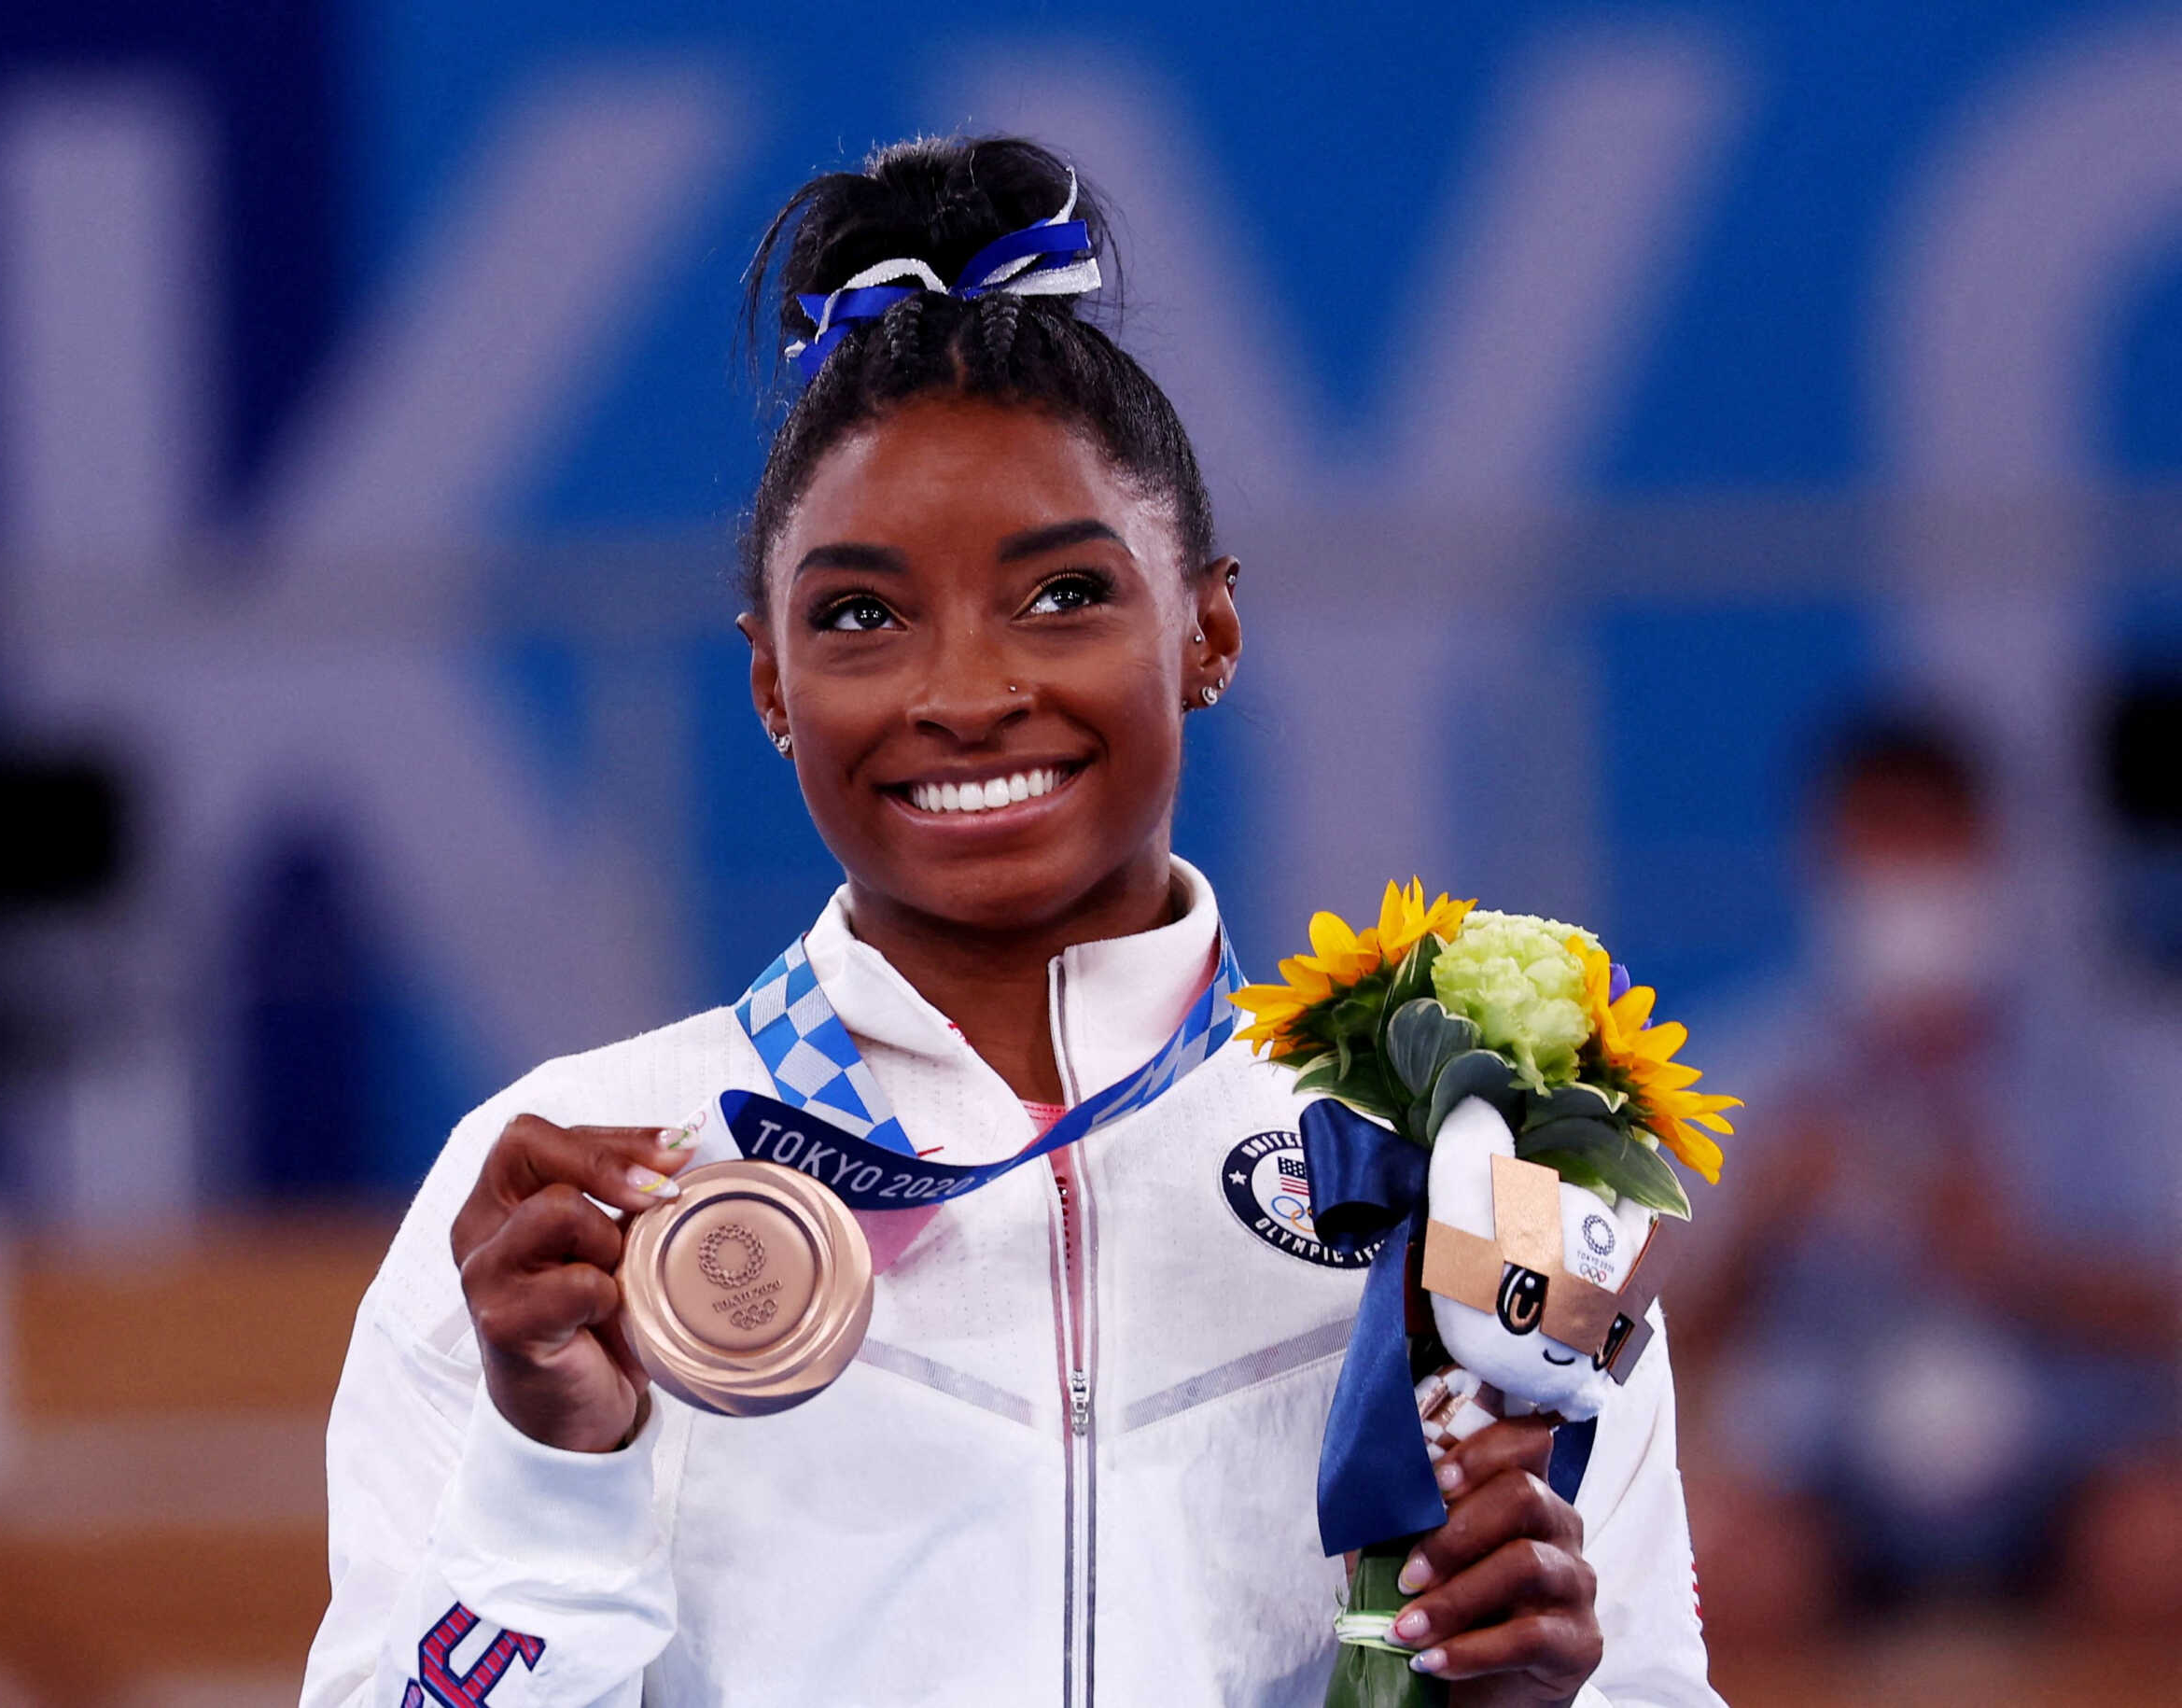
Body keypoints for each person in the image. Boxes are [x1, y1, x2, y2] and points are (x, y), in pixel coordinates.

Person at [301, 136, 1716, 1707]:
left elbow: (1640, 1667)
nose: (967, 694)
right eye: (860, 616)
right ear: (771, 683)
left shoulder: (1479, 1166)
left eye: (1062, 596)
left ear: (1210, 628)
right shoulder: (576, 1189)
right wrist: (555, 1479)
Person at [1667, 720, 2182, 1639]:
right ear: (1823, 864)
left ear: (1988, 855)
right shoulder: (1740, 1073)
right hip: (1829, 1475)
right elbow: (1647, 1349)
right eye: (1876, 843)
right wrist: (1759, 1229)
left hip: (2066, 1465)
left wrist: (2025, 1266)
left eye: (1931, 841)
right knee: (1718, 1578)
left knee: (2159, 1552)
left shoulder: (2119, 1058)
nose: (1904, 877)